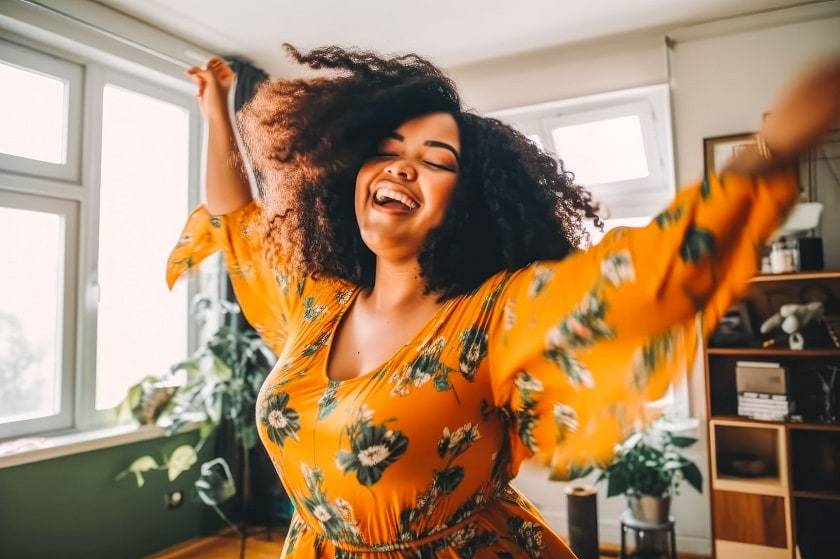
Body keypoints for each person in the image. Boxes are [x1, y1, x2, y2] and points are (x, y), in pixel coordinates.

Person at [170, 46, 840, 558]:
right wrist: (215, 110)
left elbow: (644, 273)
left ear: (467, 206)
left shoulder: (497, 314)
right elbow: (238, 220)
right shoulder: (315, 301)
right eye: (388, 149)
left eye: (437, 160)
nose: (403, 165)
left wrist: (774, 151)